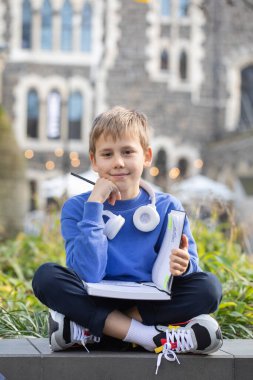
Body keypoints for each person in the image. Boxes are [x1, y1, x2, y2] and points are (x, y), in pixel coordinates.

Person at [32, 106, 223, 370]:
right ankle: (149, 337)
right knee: (46, 277)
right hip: (96, 296)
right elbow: (88, 272)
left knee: (209, 288)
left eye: (128, 152)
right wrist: (95, 205)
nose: (118, 162)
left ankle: (98, 331)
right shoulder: (78, 208)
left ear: (146, 156)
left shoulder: (168, 206)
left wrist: (184, 266)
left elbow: (192, 267)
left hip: (148, 303)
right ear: (94, 161)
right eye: (107, 154)